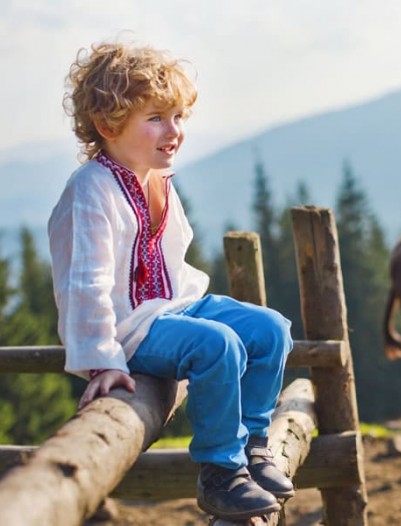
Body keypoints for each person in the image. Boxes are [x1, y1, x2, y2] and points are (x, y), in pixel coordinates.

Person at [48, 40, 294, 521]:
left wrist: (191, 306)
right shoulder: (90, 191)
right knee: (217, 345)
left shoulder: (158, 178)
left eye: (179, 116)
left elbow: (169, 260)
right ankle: (221, 471)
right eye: (157, 117)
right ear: (107, 125)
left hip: (171, 308)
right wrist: (102, 362)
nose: (175, 131)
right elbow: (85, 283)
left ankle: (253, 447)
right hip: (129, 328)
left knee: (271, 329)